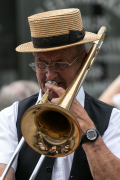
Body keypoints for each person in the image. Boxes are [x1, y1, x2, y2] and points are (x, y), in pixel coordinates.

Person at [0, 8, 120, 180]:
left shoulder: (113, 120)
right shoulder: (10, 118)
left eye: (60, 64)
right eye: (41, 65)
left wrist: (87, 129)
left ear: (83, 61)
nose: (50, 76)